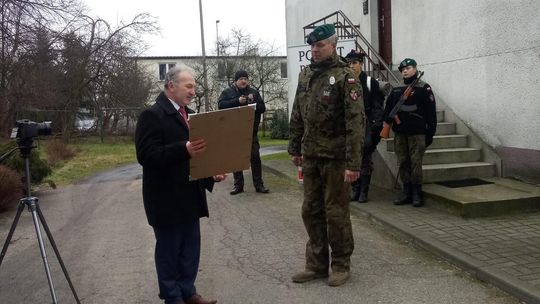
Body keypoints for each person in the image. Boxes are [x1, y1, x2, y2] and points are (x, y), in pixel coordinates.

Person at [135, 64, 226, 304]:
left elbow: (196, 157)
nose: (193, 91)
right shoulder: (152, 115)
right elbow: (146, 156)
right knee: (169, 253)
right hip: (166, 199)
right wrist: (182, 149)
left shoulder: (191, 115)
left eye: (194, 86)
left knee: (190, 251)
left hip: (189, 196)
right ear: (171, 86)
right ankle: (172, 297)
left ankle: (188, 292)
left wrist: (210, 174)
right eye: (189, 86)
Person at [288, 24, 365, 287]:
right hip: (311, 155)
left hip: (335, 158)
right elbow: (298, 112)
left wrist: (354, 163)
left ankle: (341, 263)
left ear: (333, 45)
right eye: (312, 46)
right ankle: (316, 264)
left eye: (319, 45)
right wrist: (294, 147)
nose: (314, 50)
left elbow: (356, 122)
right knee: (310, 210)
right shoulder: (306, 75)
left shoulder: (345, 77)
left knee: (335, 212)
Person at [382, 58, 437, 207]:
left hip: (418, 133)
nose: (405, 71)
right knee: (403, 162)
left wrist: (430, 134)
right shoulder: (397, 89)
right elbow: (388, 109)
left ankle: (417, 192)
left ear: (415, 69)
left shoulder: (424, 88)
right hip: (400, 133)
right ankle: (406, 191)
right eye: (403, 69)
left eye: (409, 68)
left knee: (416, 163)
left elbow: (431, 113)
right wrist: (389, 119)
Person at [217, 69, 269, 195]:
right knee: (237, 159)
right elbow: (221, 105)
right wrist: (237, 101)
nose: (243, 81)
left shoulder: (254, 92)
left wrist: (253, 103)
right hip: (235, 132)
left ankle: (259, 185)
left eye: (245, 78)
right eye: (241, 79)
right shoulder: (227, 92)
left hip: (251, 132)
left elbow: (262, 108)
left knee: (255, 158)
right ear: (235, 81)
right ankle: (238, 186)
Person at [344, 50, 384, 203]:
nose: (351, 66)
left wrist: (375, 129)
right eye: (349, 63)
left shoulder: (369, 82)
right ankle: (355, 189)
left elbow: (378, 108)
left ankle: (364, 191)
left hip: (366, 126)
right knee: (351, 157)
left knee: (365, 159)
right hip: (350, 126)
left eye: (354, 63)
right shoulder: (345, 82)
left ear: (361, 63)